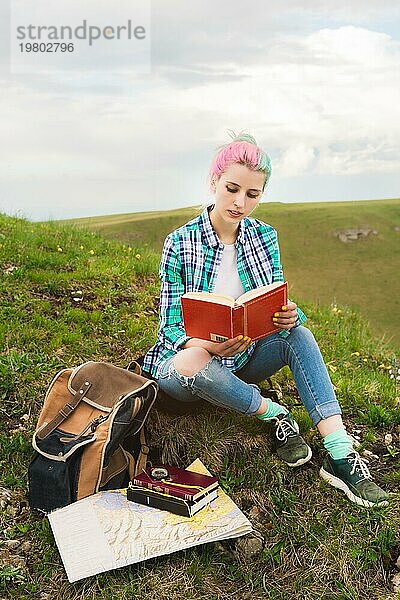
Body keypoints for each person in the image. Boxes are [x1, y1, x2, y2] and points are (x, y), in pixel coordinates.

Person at [142, 131, 389, 508]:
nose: (240, 202)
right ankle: (273, 413)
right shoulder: (180, 242)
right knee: (194, 360)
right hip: (190, 366)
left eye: (252, 195)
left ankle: (340, 453)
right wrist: (208, 344)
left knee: (300, 336)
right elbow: (171, 326)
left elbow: (273, 299)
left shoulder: (264, 236)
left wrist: (289, 314)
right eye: (232, 188)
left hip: (243, 356)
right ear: (214, 182)